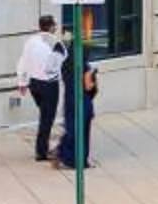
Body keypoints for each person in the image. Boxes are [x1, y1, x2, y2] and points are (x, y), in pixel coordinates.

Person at [13, 16, 65, 163]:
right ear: (51, 27)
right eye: (54, 25)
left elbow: (23, 61)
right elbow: (55, 66)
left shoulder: (31, 41)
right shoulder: (54, 44)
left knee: (44, 115)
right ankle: (41, 151)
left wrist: (22, 82)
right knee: (47, 119)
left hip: (34, 84)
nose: (56, 28)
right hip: (49, 84)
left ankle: (42, 148)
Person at [55, 29, 99, 169]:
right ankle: (77, 159)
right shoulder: (85, 68)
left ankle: (65, 156)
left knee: (72, 129)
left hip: (70, 99)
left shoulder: (66, 65)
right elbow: (88, 86)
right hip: (82, 100)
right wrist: (93, 75)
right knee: (82, 132)